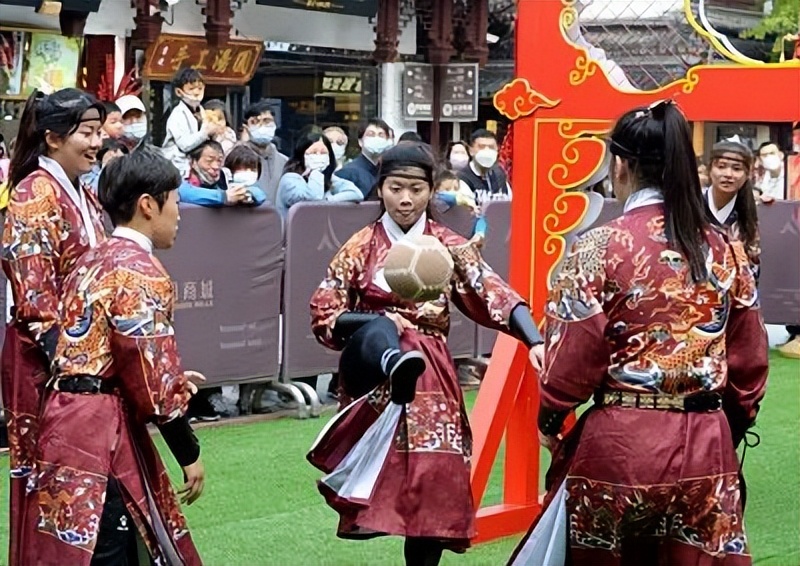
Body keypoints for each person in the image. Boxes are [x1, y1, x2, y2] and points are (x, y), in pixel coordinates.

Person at [509, 101, 768, 566]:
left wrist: (550, 419)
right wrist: (731, 423)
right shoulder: (725, 248)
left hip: (623, 441)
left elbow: (571, 361)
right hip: (707, 442)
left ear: (620, 164)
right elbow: (750, 360)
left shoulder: (598, 245)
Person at [307, 142, 543, 566]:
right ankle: (392, 356)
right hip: (373, 370)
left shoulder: (448, 245)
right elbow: (324, 313)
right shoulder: (361, 246)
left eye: (416, 189)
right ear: (380, 189)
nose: (405, 199)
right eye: (396, 188)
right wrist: (378, 324)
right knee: (383, 330)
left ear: (431, 191)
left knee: (434, 484)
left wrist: (534, 339)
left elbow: (495, 293)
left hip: (429, 373)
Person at [26, 148, 204, 565]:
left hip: (62, 419)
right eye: (175, 201)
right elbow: (154, 383)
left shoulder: (90, 260)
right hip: (99, 431)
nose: (179, 213)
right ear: (148, 205)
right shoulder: (140, 270)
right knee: (110, 551)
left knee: (68, 551)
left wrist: (169, 378)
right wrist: (189, 452)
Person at [1, 88, 108, 566]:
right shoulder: (32, 194)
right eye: (87, 132)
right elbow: (34, 297)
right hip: (43, 361)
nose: (97, 142)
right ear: (52, 138)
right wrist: (77, 363)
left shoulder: (80, 193)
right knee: (46, 478)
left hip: (79, 360)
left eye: (99, 132)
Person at [704, 139, 761, 278]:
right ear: (709, 169)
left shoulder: (754, 213)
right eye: (721, 166)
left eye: (737, 169)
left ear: (748, 174)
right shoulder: (691, 206)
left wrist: (773, 210)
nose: (728, 174)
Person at [276, 131, 363, 217]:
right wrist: (315, 172)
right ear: (302, 155)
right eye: (313, 152)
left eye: (323, 153)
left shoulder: (328, 178)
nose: (318, 156)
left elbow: (356, 193)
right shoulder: (290, 179)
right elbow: (314, 202)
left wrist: (327, 201)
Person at [162, 68, 221, 177]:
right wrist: (205, 133)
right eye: (191, 88)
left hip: (198, 167)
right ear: (179, 92)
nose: (196, 92)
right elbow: (184, 145)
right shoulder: (177, 115)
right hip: (178, 167)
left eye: (199, 88)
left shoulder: (202, 111)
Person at [179, 140, 265, 208]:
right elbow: (184, 193)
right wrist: (223, 197)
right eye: (209, 161)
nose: (216, 166)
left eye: (219, 161)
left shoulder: (224, 180)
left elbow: (259, 193)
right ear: (193, 162)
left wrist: (245, 194)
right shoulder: (183, 180)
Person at [241, 100, 287, 205]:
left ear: (275, 124)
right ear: (246, 127)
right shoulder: (236, 159)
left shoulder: (284, 162)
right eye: (255, 122)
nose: (262, 126)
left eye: (267, 121)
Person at [336, 118, 393, 198]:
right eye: (371, 134)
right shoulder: (348, 172)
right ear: (360, 141)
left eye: (381, 135)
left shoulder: (388, 171)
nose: (376, 138)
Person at [457, 129, 512, 204]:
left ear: (497, 150)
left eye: (491, 147)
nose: (487, 151)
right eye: (481, 147)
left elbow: (510, 204)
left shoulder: (500, 175)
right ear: (471, 151)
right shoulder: (463, 178)